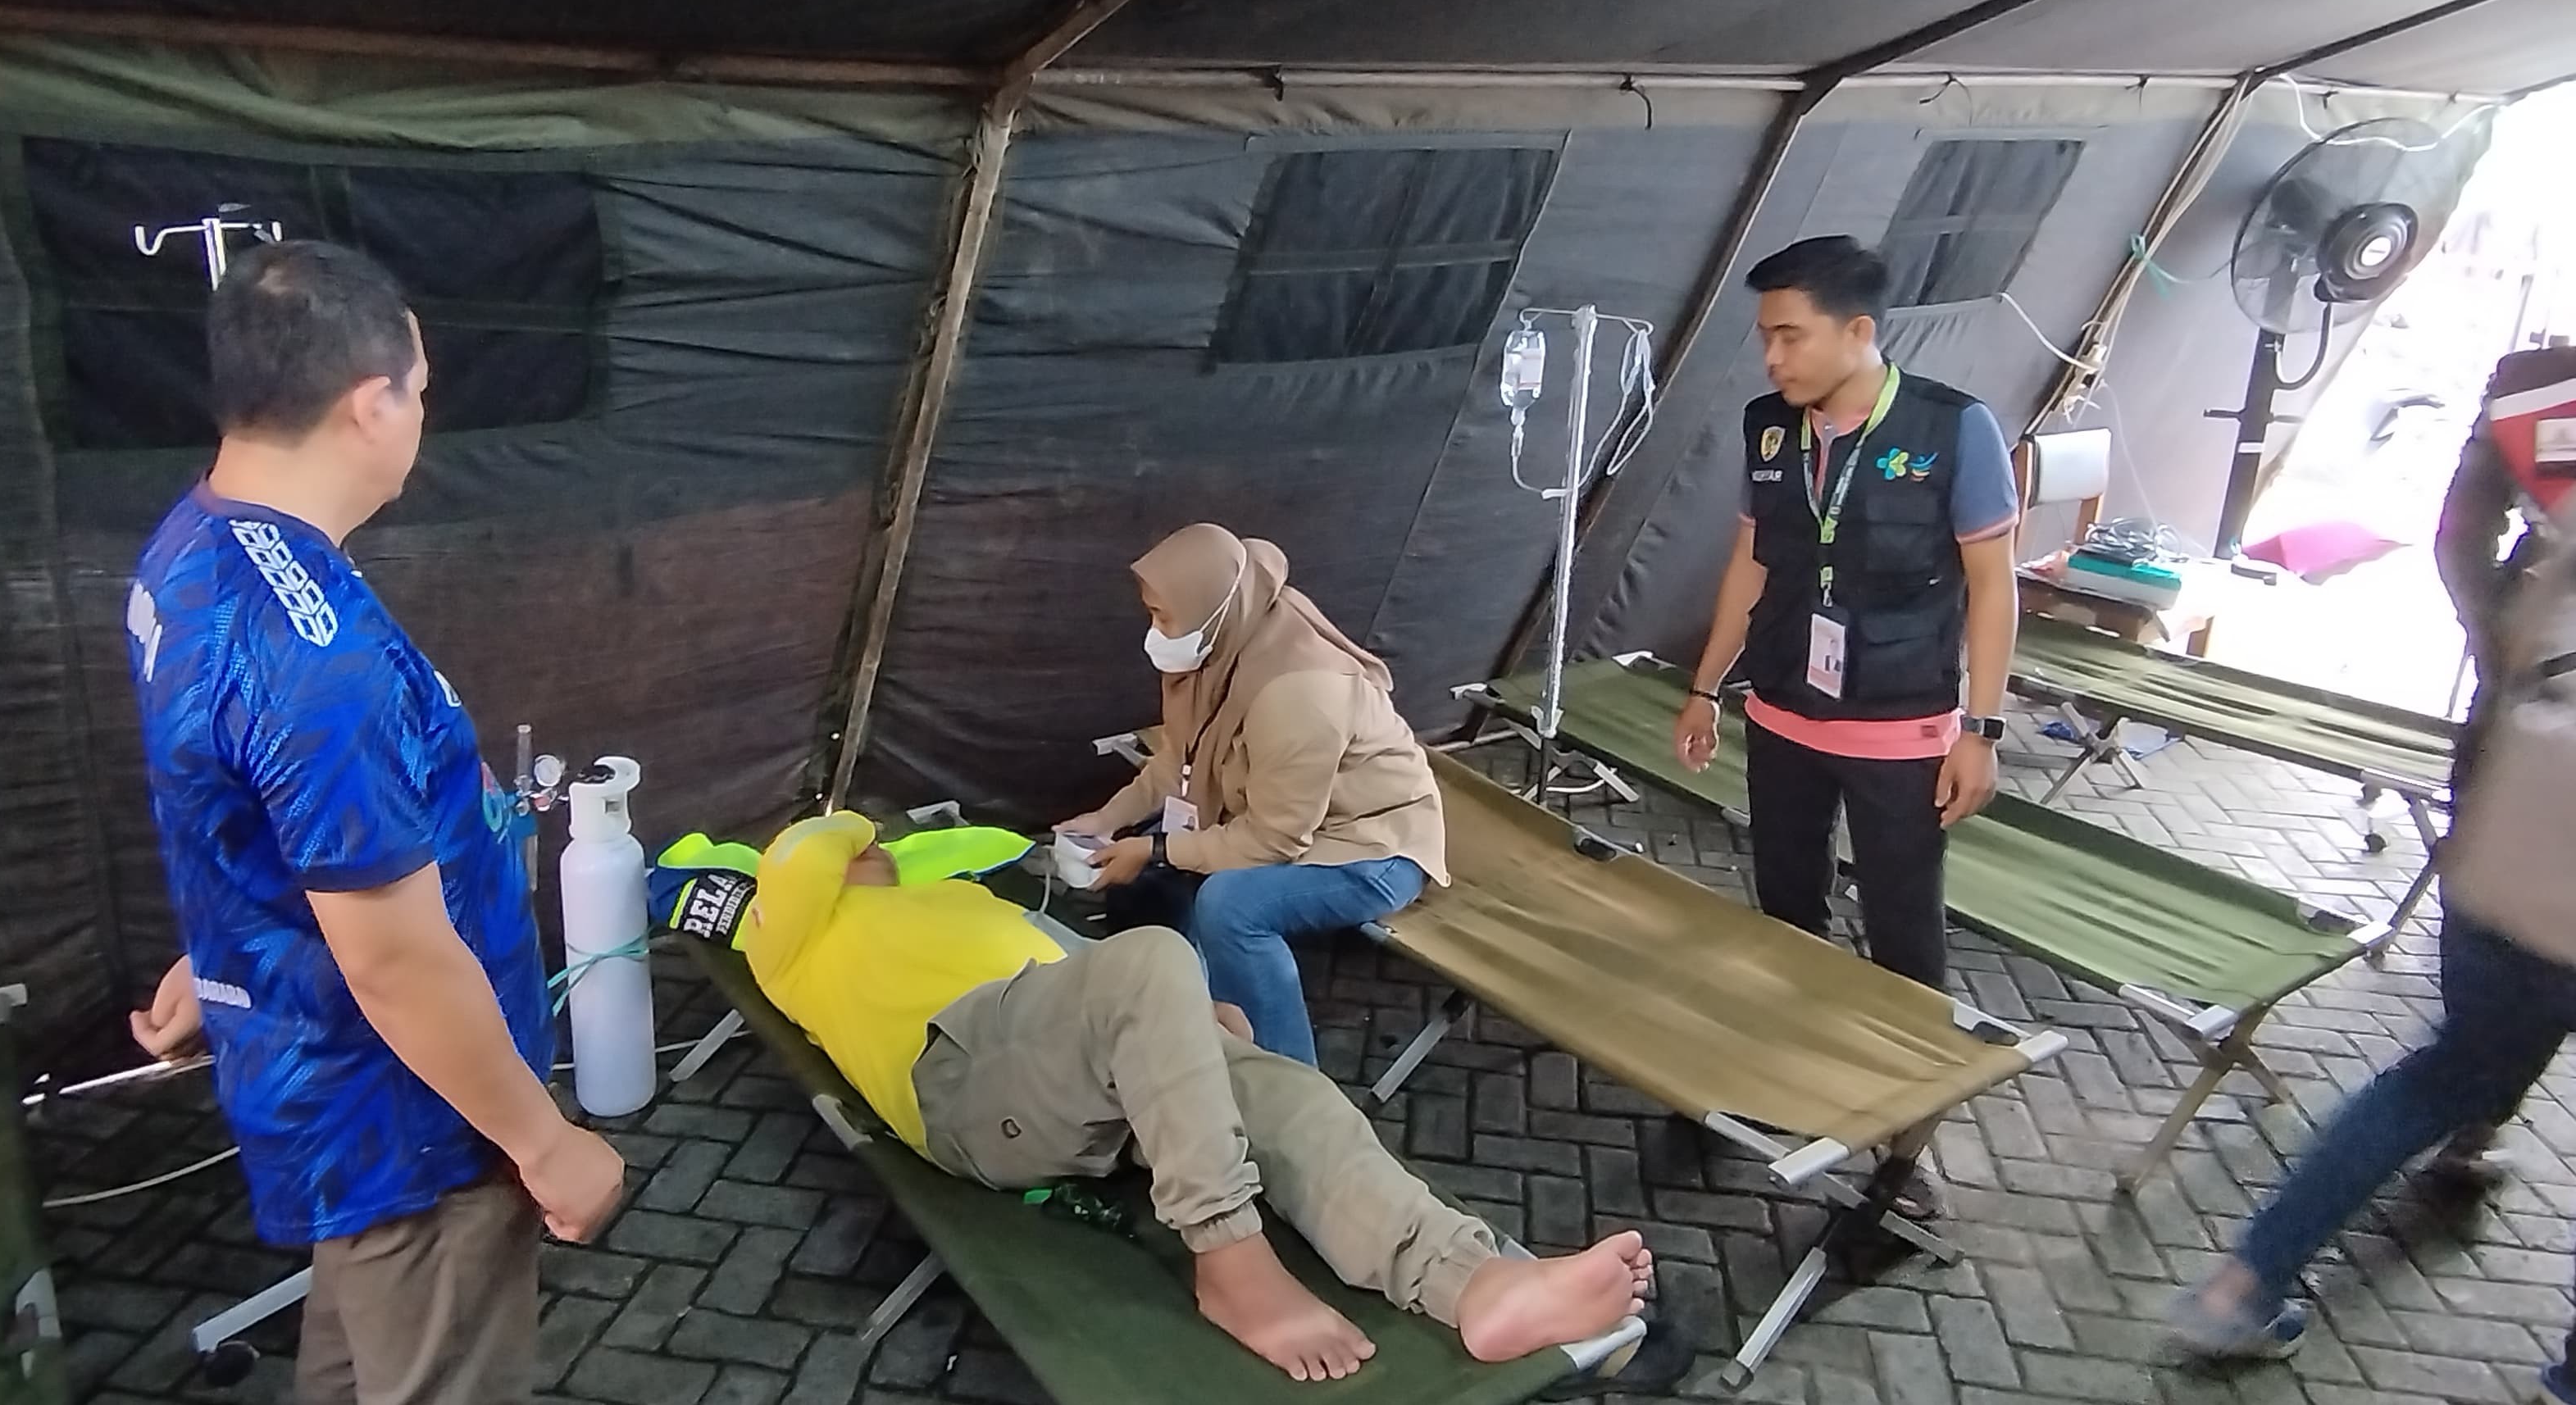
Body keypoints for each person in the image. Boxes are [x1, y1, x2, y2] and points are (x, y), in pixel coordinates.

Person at [122, 241, 623, 1405]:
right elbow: (397, 962)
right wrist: (545, 1142)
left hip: (334, 1091)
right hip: (413, 1123)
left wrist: (226, 953)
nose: (422, 418)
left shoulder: (189, 550)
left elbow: (225, 799)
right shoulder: (318, 658)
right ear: (370, 403)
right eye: (420, 391)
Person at [737, 810, 1651, 1382]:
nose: (877, 854)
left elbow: (1075, 982)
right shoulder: (793, 933)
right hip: (961, 1075)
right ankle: (1229, 1259)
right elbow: (811, 846)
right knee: (1153, 956)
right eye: (865, 852)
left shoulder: (959, 899)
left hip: (1064, 1051)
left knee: (1284, 1093)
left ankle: (1473, 1284)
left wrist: (1180, 1021)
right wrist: (855, 839)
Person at [2169, 481, 2576, 1390]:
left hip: (2507, 858)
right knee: (2450, 1077)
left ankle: (2242, 1287)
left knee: (2435, 1079)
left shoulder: (2562, 488)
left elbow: (2483, 574)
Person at [1673, 234, 2020, 991]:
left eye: (1791, 336)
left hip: (1899, 731)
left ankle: (1907, 1064)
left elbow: (1994, 587)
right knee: (1786, 913)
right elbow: (1751, 562)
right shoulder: (1768, 425)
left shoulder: (1953, 428)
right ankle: (1793, 1046)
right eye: (1765, 338)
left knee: (1903, 930)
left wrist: (1981, 731)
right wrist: (1705, 688)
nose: (1772, 358)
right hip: (1780, 716)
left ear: (1858, 330)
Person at [1060, 523, 1448, 1066]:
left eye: (1162, 616)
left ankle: (1287, 1082)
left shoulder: (1299, 694)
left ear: (1212, 608)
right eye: (1151, 613)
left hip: (1375, 850)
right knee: (1159, 868)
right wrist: (1106, 819)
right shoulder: (1223, 646)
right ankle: (1186, 1023)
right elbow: (1181, 758)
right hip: (1296, 824)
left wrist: (1155, 850)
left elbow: (1274, 840)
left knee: (1229, 904)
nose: (1154, 632)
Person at [2421, 343, 2576, 1185]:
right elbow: (2462, 531)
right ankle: (2474, 1100)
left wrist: (2499, 639)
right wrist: (2496, 639)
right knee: (2491, 875)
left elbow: (2463, 532)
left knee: (2494, 877)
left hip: (2527, 686)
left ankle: (2472, 1094)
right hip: (2528, 692)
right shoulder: (2544, 386)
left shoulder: (2541, 384)